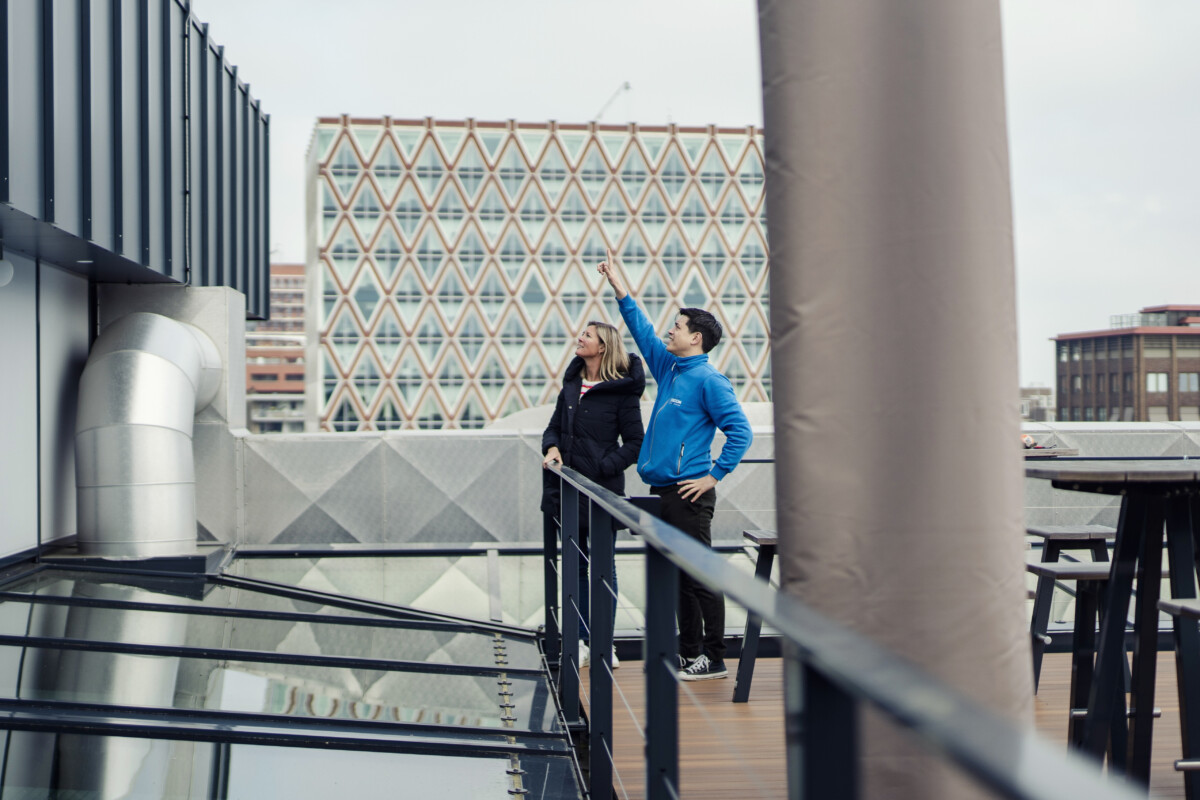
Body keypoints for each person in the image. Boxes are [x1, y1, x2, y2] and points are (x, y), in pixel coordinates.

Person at [598, 250, 752, 681]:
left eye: (679, 326)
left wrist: (713, 475)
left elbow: (741, 432)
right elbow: (642, 329)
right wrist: (619, 286)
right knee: (683, 577)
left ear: (696, 338)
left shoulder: (709, 380)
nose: (670, 329)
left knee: (700, 576)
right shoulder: (669, 368)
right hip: (665, 491)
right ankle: (691, 654)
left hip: (690, 492)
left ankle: (715, 658)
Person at [541, 321, 645, 671]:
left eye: (587, 335)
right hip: (566, 492)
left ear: (602, 347)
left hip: (601, 494)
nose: (579, 338)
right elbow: (554, 426)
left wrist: (602, 467)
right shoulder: (572, 384)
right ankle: (582, 640)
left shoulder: (621, 392)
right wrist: (552, 447)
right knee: (576, 568)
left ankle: (603, 643)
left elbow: (635, 444)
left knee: (603, 569)